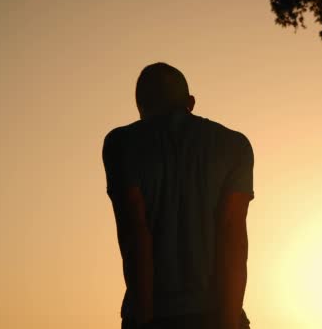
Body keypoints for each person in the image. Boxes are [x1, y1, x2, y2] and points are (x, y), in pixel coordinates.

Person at [102, 62, 254, 329]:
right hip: (217, 314)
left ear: (141, 106)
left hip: (151, 314)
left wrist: (144, 319)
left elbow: (135, 232)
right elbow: (234, 237)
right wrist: (230, 321)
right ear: (191, 102)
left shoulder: (121, 143)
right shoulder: (235, 145)